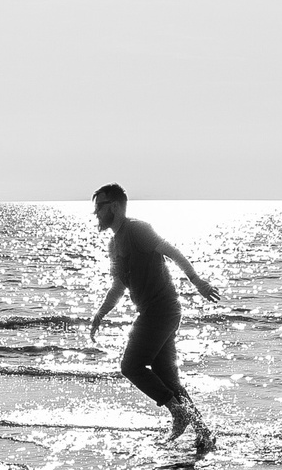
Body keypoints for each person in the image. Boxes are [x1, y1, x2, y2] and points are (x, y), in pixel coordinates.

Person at [88, 184, 220, 450]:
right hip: (155, 311)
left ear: (114, 206)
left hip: (161, 310)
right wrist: (101, 313)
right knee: (167, 378)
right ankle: (204, 434)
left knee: (131, 366)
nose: (96, 213)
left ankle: (178, 413)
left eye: (99, 207)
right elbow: (118, 286)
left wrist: (197, 281)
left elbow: (171, 251)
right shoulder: (114, 244)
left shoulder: (137, 230)